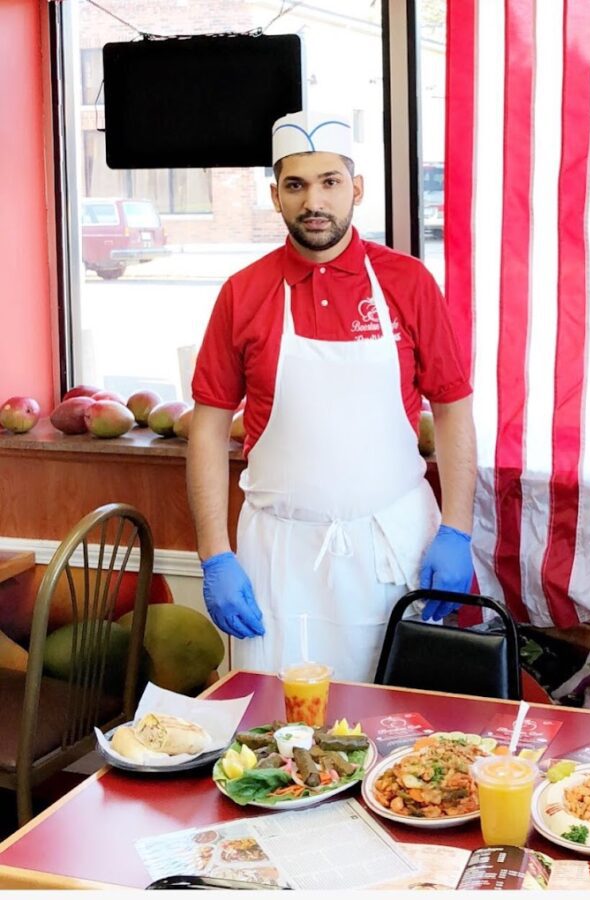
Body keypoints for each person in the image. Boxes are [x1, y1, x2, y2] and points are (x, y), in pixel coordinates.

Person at [186, 110, 477, 682]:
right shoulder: (242, 294)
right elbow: (208, 429)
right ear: (276, 196)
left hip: (391, 548)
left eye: (329, 182)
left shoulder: (409, 282)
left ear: (357, 189)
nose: (312, 200)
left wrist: (457, 528)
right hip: (278, 557)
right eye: (295, 185)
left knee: (398, 732)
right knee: (279, 741)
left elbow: (452, 409)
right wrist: (214, 552)